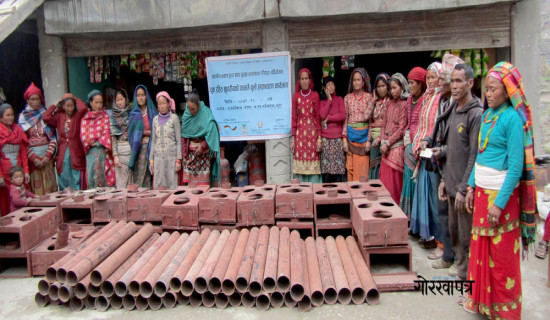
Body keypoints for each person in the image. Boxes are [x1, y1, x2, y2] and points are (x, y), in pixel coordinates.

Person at [463, 62, 537, 319]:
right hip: (483, 194)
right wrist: (471, 185)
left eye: (493, 89)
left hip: (501, 199)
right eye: (487, 89)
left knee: (502, 253)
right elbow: (479, 156)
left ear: (507, 92)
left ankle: (505, 309)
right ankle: (484, 303)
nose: (488, 94)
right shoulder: (487, 116)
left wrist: (499, 204)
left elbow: (516, 168)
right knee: (481, 247)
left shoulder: (512, 120)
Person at [430, 64, 482, 278]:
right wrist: (443, 179)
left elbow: (474, 155)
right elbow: (451, 148)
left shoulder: (476, 114)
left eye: (459, 81)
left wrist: (464, 187)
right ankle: (461, 269)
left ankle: (468, 277)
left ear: (470, 83)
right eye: (453, 81)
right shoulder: (453, 110)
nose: (455, 85)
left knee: (466, 234)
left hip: (464, 186)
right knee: (454, 230)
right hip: (450, 181)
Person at [422, 53, 465, 268]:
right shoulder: (444, 102)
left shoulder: (468, 109)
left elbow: (463, 145)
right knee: (444, 213)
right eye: (449, 80)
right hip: (442, 166)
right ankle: (448, 255)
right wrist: (428, 140)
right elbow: (439, 129)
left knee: (458, 219)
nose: (445, 84)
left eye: (451, 80)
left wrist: (443, 148)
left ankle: (459, 262)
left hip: (456, 169)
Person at [409, 62, 443, 249]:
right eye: (428, 78)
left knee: (433, 193)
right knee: (423, 191)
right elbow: (422, 126)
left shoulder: (442, 99)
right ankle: (426, 234)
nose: (430, 81)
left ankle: (438, 238)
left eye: (433, 77)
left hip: (435, 152)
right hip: (424, 151)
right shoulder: (427, 98)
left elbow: (438, 126)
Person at [18, 82, 57, 195]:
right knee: (37, 191)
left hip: (47, 159)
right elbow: (23, 142)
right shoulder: (23, 118)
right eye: (32, 99)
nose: (35, 102)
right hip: (33, 161)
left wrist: (47, 156)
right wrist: (34, 159)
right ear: (27, 101)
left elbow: (53, 138)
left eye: (37, 99)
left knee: (51, 190)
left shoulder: (45, 115)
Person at [43, 93, 87, 191]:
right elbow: (46, 117)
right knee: (64, 176)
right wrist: (54, 105)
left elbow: (83, 108)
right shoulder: (59, 117)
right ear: (63, 106)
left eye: (72, 105)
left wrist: (75, 98)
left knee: (76, 176)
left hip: (76, 152)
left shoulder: (77, 116)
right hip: (63, 153)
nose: (70, 108)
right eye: (67, 106)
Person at [400, 67, 427, 217]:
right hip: (408, 142)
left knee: (416, 180)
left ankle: (416, 217)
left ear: (420, 83)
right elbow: (408, 122)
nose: (410, 86)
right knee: (407, 178)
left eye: (412, 83)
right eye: (409, 83)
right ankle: (408, 215)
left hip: (420, 143)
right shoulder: (409, 99)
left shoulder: (425, 100)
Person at [379, 73, 409, 204]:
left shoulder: (404, 104)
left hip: (396, 146)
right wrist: (382, 141)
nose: (392, 91)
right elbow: (383, 124)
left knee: (394, 181)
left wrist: (388, 143)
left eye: (395, 87)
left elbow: (402, 128)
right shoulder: (389, 104)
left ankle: (395, 208)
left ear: (402, 87)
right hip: (385, 145)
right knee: (384, 180)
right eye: (391, 88)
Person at [181, 91, 221, 186]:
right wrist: (184, 155)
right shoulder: (187, 115)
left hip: (203, 156)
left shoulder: (206, 113)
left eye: (193, 109)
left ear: (198, 105)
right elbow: (184, 136)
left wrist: (203, 145)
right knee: (190, 187)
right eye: (189, 109)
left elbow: (213, 132)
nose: (191, 111)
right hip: (190, 156)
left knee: (203, 187)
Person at [290, 68, 322, 183]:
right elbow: (294, 118)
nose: (304, 81)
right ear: (299, 81)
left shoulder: (315, 96)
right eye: (302, 79)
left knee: (313, 167)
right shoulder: (296, 96)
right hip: (300, 137)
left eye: (306, 78)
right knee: (300, 167)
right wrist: (293, 139)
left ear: (310, 80)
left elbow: (318, 117)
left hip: (312, 137)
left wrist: (319, 138)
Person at [80, 90, 115, 188]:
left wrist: (97, 142)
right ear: (91, 103)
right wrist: (92, 142)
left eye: (101, 102)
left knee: (104, 178)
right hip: (91, 154)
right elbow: (84, 138)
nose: (99, 105)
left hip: (103, 152)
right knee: (92, 178)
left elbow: (107, 134)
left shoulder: (106, 117)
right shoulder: (85, 119)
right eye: (96, 102)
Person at [343, 67, 372, 181]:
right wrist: (344, 140)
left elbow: (371, 122)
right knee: (350, 169)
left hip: (363, 141)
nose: (356, 82)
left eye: (359, 80)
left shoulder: (369, 98)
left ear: (363, 81)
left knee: (362, 171)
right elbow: (345, 119)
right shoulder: (347, 98)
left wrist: (369, 140)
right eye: (354, 80)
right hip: (350, 140)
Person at [0, 104, 29, 216]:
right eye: (7, 115)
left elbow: (23, 152)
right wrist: (0, 176)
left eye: (12, 115)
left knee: (21, 198)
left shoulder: (17, 130)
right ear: (1, 117)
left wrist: (25, 171)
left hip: (18, 173)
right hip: (5, 176)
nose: (11, 118)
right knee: (6, 201)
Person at [149, 91, 182, 189]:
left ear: (169, 104)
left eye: (164, 103)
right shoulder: (155, 120)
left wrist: (178, 160)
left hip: (171, 159)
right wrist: (151, 161)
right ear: (157, 106)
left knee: (171, 186)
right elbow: (153, 141)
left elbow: (178, 141)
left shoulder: (174, 118)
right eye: (160, 104)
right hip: (158, 158)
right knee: (159, 186)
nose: (162, 106)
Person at [128, 85, 157, 188]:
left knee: (149, 174)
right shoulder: (133, 114)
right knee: (139, 174)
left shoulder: (153, 112)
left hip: (150, 148)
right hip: (137, 150)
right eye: (138, 95)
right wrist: (142, 133)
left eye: (143, 95)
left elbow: (157, 130)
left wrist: (147, 133)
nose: (140, 98)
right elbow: (131, 134)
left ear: (146, 97)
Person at [319, 76, 346, 183]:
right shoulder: (323, 102)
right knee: (327, 170)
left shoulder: (340, 99)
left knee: (338, 170)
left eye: (332, 84)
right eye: (328, 85)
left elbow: (342, 116)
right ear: (324, 88)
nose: (330, 86)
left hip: (338, 139)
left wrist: (329, 118)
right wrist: (329, 99)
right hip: (326, 139)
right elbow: (322, 115)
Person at [366, 73, 390, 179]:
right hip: (373, 138)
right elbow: (367, 117)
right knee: (373, 167)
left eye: (383, 86)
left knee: (383, 167)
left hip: (385, 138)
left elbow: (389, 123)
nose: (381, 89)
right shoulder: (376, 102)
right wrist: (368, 140)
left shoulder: (390, 101)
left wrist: (380, 138)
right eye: (378, 86)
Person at [110, 89, 132, 188]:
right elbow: (113, 137)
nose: (119, 102)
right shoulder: (113, 116)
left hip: (131, 150)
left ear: (126, 99)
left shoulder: (132, 112)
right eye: (117, 100)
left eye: (121, 99)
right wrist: (115, 156)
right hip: (120, 151)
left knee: (131, 181)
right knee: (121, 182)